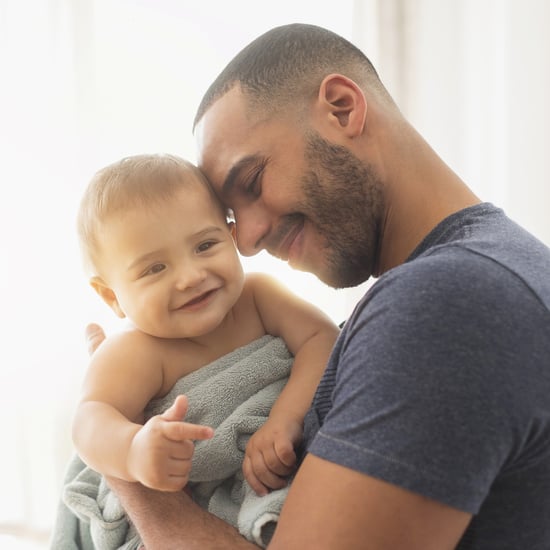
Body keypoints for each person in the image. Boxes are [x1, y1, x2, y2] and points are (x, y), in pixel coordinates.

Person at [93, 24, 550, 550]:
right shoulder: (498, 268)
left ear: (341, 107)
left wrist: (126, 467)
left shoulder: (448, 305)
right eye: (232, 216)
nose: (248, 241)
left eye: (254, 182)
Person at [70, 153, 339, 546]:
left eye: (205, 245)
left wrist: (285, 417)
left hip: (279, 481)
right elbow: (89, 420)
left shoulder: (258, 296)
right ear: (112, 295)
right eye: (154, 269)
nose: (191, 276)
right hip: (198, 508)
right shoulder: (135, 350)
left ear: (231, 237)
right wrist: (132, 450)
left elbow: (323, 339)